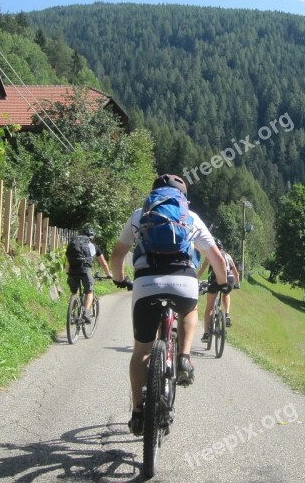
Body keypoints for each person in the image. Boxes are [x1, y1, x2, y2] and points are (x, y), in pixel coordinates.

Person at [110, 174, 230, 436]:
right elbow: (217, 260)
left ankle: (138, 413)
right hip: (183, 281)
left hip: (146, 282)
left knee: (141, 350)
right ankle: (184, 357)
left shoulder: (139, 215)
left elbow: (117, 254)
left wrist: (119, 280)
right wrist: (223, 285)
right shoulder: (190, 217)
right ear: (182, 197)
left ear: (153, 195)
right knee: (189, 310)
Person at [65, 229, 111, 324]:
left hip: (72, 271)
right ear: (92, 238)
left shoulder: (74, 244)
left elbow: (68, 261)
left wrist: (68, 272)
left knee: (74, 292)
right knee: (89, 292)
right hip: (85, 270)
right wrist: (108, 274)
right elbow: (104, 264)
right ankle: (86, 313)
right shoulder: (94, 246)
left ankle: (72, 315)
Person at [197, 239, 240, 340]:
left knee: (209, 308)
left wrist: (195, 279)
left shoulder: (210, 255)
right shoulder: (228, 256)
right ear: (222, 247)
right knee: (226, 293)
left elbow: (202, 271)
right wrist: (237, 284)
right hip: (230, 279)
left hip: (216, 280)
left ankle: (206, 334)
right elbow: (236, 274)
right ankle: (227, 314)